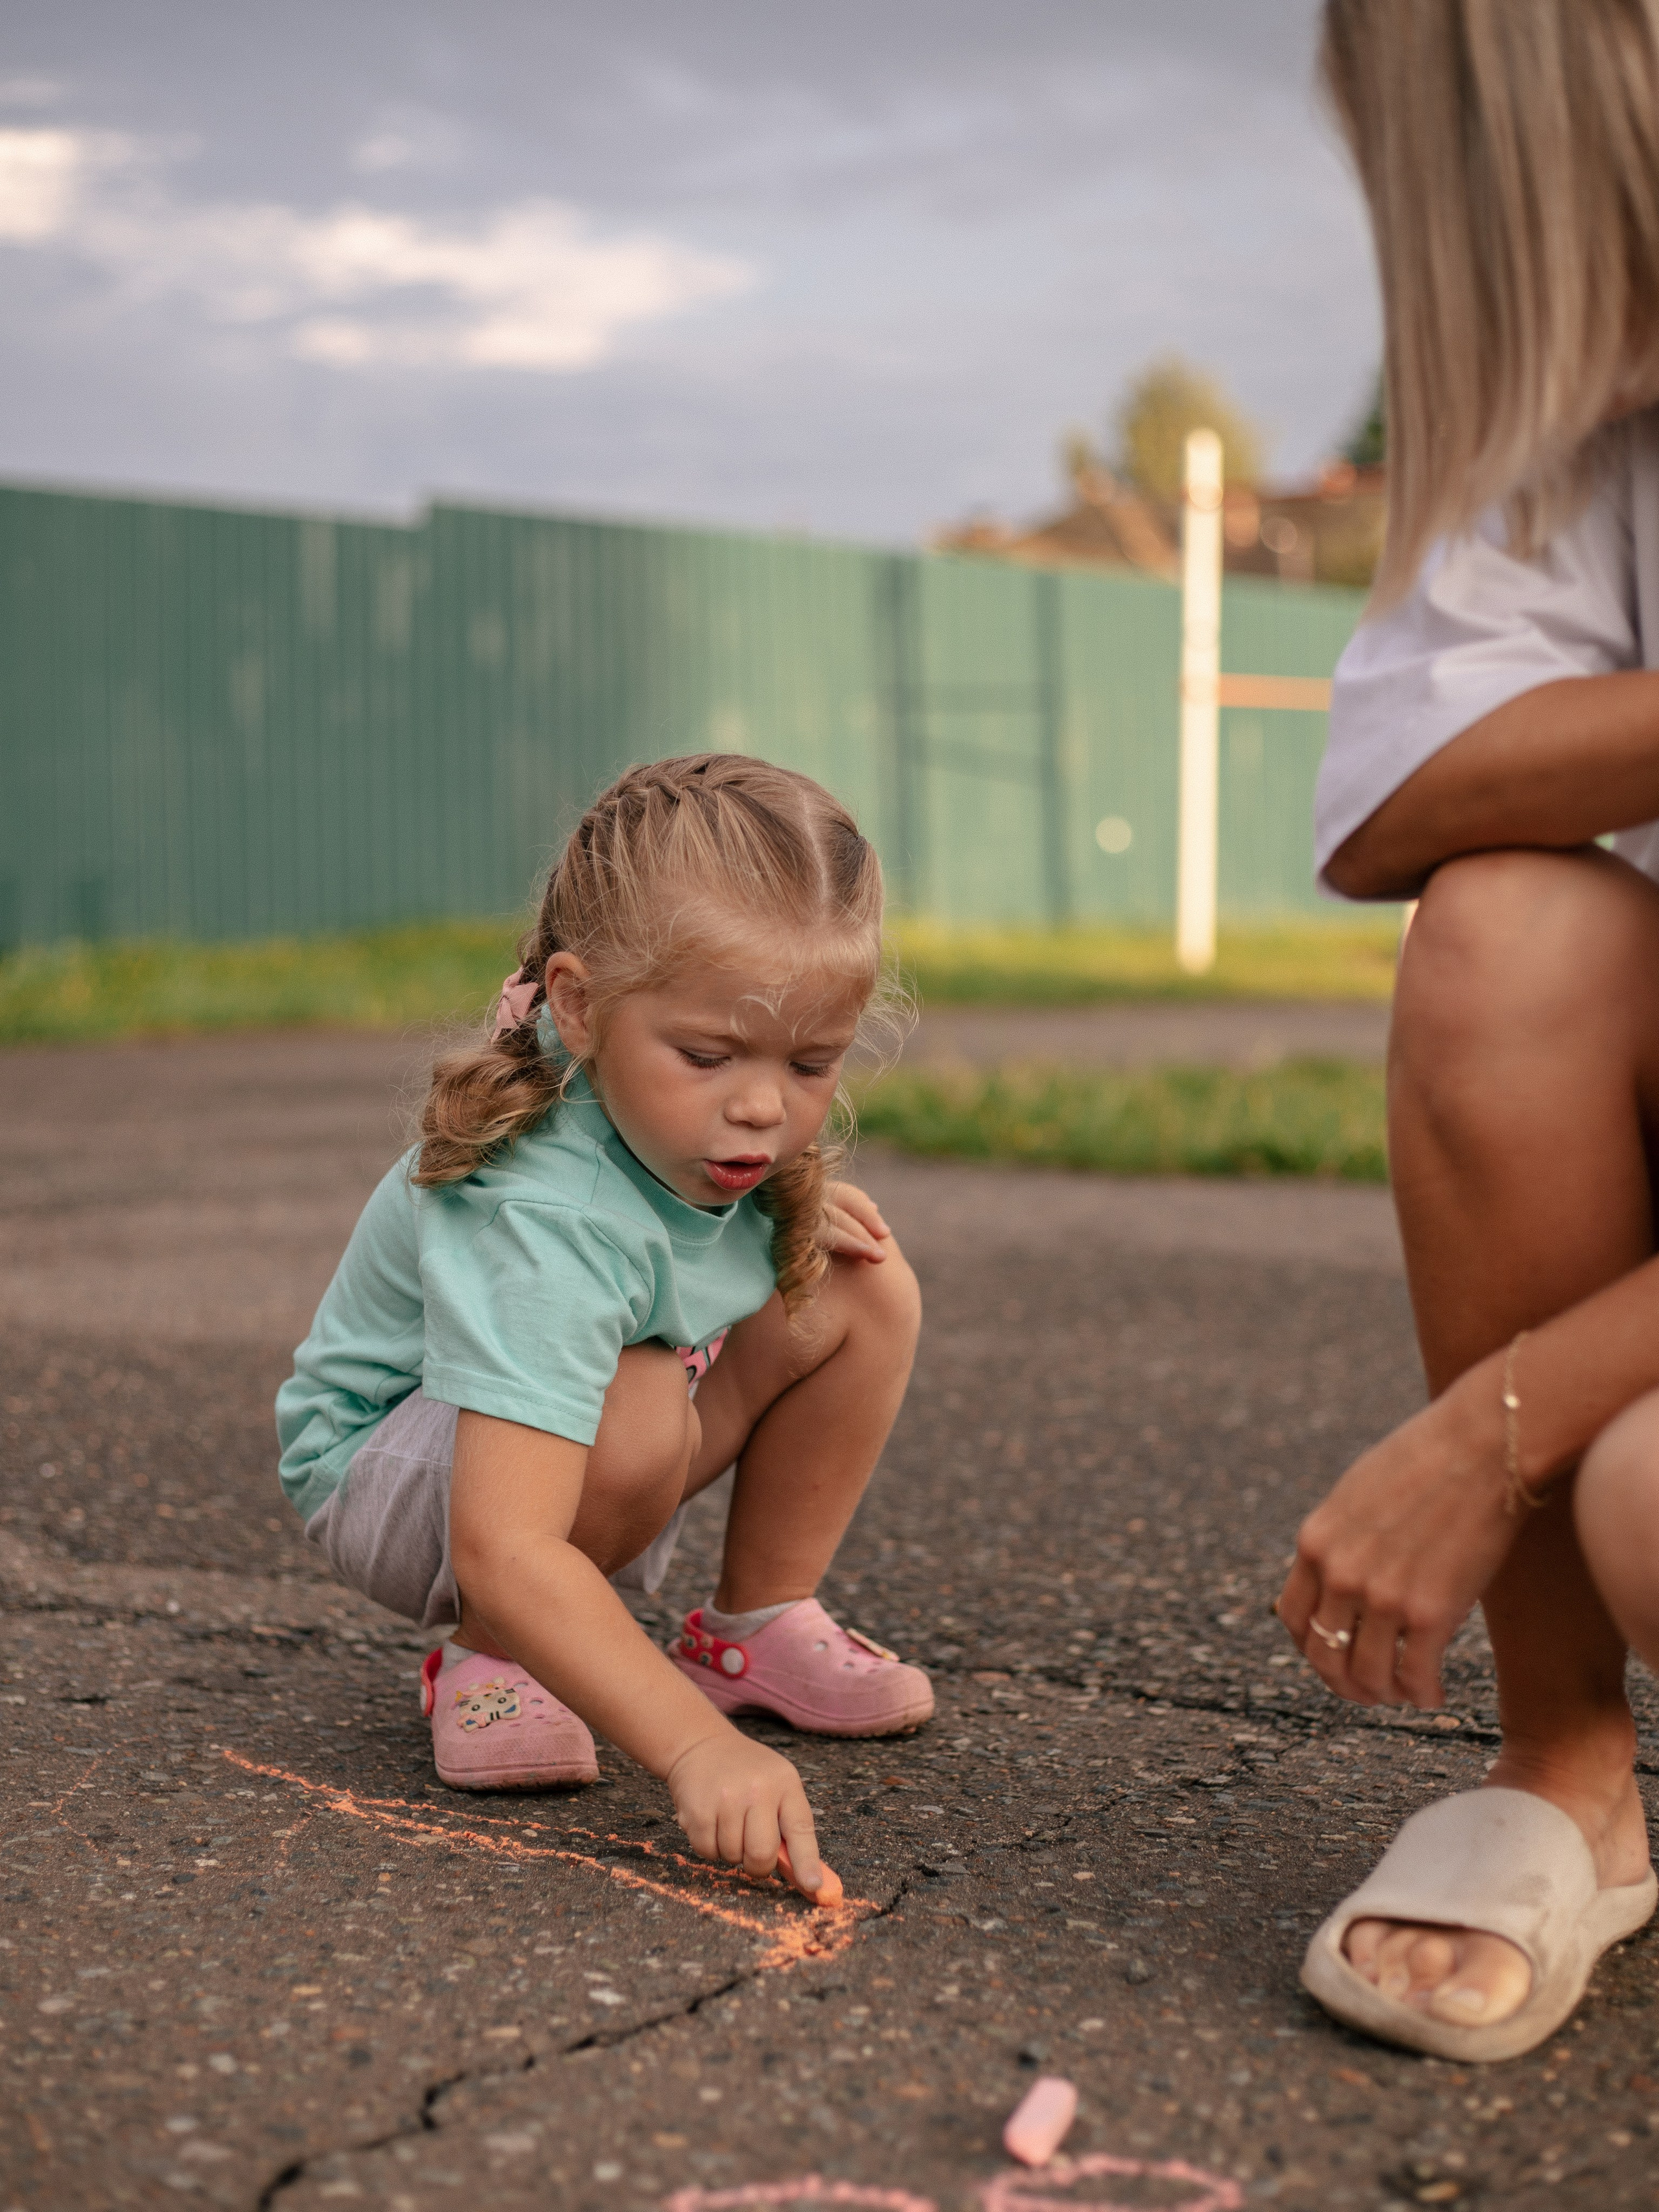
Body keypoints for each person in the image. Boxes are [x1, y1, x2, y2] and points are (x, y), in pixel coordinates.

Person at [1277, 0, 1659, 2062]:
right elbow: (1399, 800)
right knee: (1507, 927)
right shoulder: (1602, 397)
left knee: (1645, 1493)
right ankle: (1567, 1772)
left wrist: (1495, 1424)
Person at [275, 754, 929, 1900]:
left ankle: (754, 1624)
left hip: (559, 1447)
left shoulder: (683, 1118)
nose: (762, 1106)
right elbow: (505, 1541)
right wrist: (694, 1748)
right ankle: (492, 1653)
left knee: (859, 1287)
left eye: (812, 1062)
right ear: (578, 1007)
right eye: (708, 1056)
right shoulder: (546, 1217)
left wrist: (780, 1217)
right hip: (395, 1478)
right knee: (635, 1399)